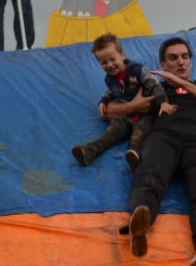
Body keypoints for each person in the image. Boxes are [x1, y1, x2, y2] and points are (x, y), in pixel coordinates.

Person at [105, 37, 196, 266]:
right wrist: (132, 105)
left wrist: (181, 83)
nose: (180, 62)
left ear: (191, 62)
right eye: (173, 58)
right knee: (149, 177)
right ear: (162, 64)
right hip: (164, 136)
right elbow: (109, 110)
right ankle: (139, 226)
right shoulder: (154, 88)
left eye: (185, 57)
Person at [71, 34, 174, 174]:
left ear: (122, 55)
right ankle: (89, 152)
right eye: (104, 62)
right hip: (125, 116)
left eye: (112, 59)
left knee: (139, 134)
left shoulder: (138, 71)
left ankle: (136, 159)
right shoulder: (109, 79)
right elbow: (111, 92)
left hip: (145, 114)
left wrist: (163, 103)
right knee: (110, 134)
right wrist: (103, 102)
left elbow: (155, 86)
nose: (109, 65)